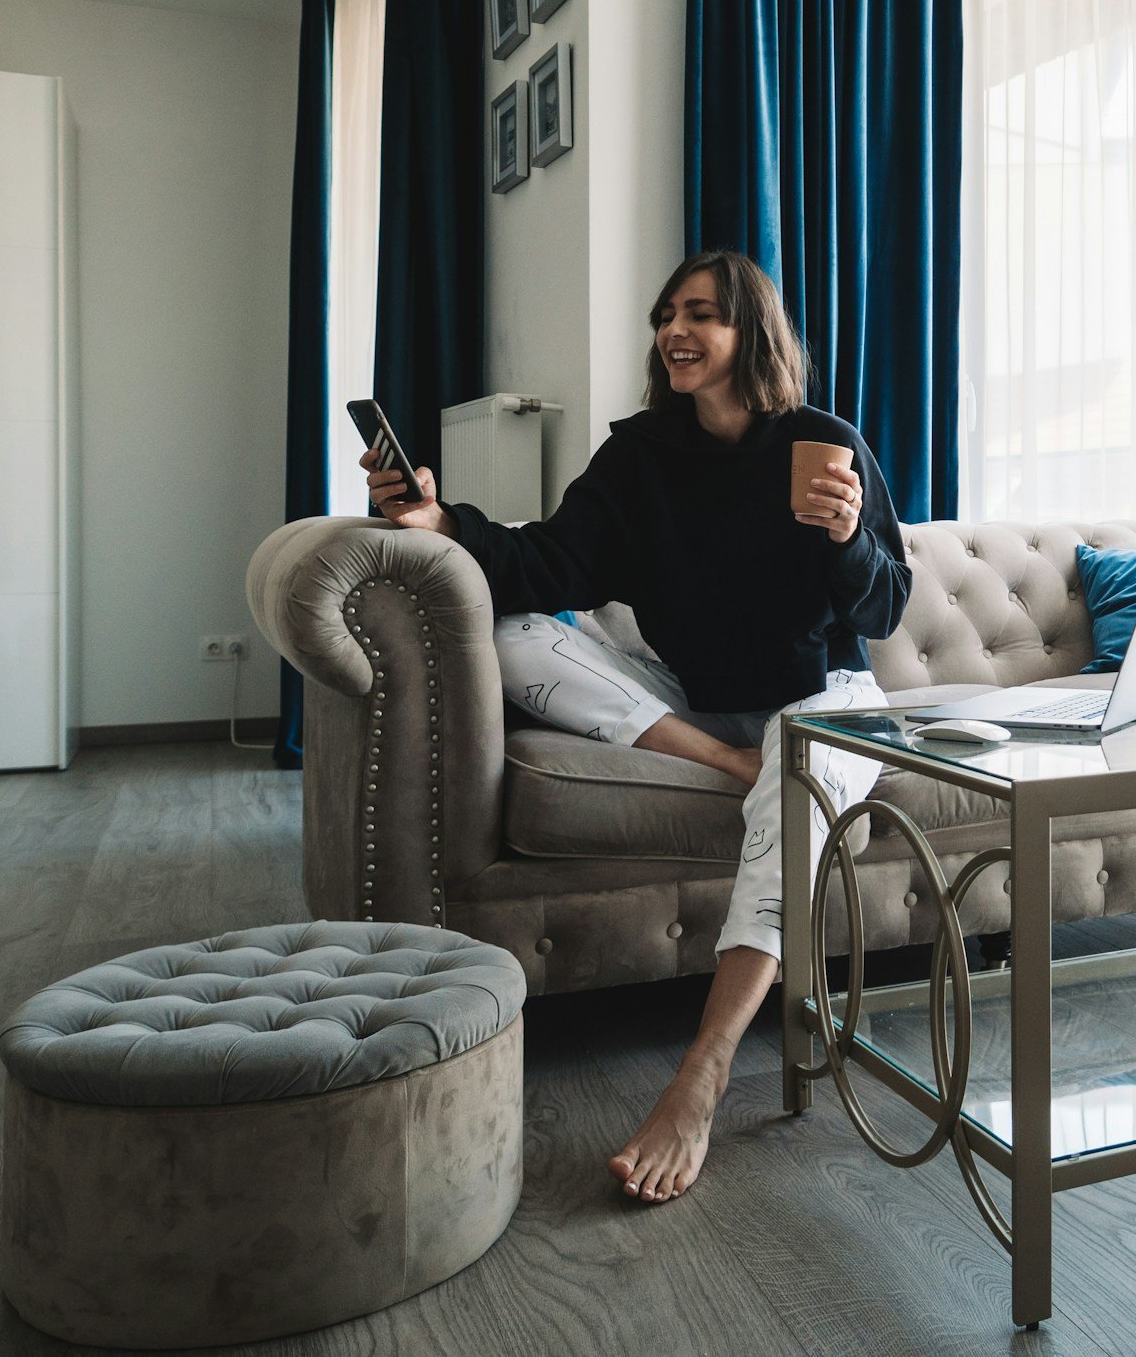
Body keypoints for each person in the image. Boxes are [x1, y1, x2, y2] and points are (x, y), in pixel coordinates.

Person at [362, 250, 910, 1205]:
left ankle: (699, 1076)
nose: (675, 331)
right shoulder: (639, 454)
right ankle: (734, 762)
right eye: (666, 315)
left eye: (702, 313)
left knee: (803, 759)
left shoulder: (824, 441)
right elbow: (547, 565)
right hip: (696, 698)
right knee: (517, 633)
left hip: (823, 693)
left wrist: (848, 538)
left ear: (752, 331)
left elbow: (885, 611)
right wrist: (442, 517)